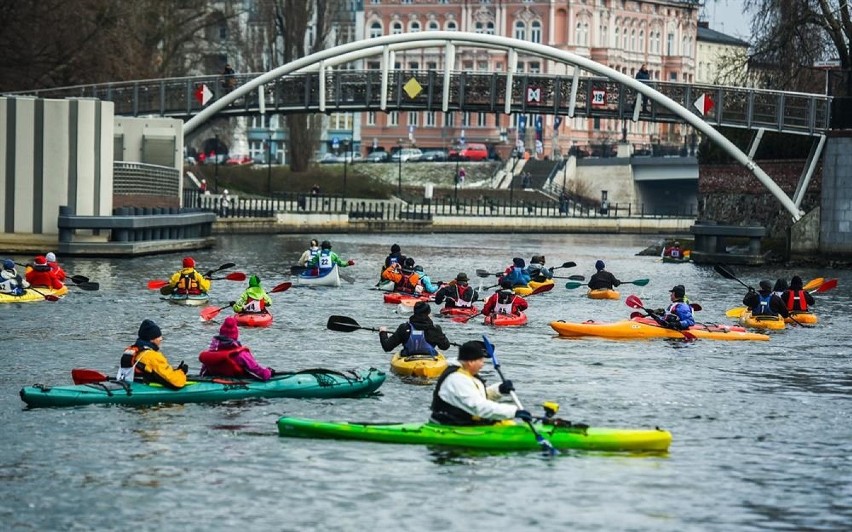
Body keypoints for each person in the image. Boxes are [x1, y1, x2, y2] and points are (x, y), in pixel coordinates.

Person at [429, 340, 530, 426]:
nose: (483, 364)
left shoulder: (465, 373)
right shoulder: (457, 378)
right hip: (451, 425)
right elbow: (478, 407)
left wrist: (499, 389)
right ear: (471, 362)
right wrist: (514, 412)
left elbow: (476, 396)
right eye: (481, 361)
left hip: (464, 421)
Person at [116, 319, 188, 389]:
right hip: (145, 390)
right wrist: (182, 372)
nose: (161, 339)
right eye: (158, 336)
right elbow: (176, 382)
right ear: (151, 339)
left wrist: (175, 370)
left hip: (132, 385)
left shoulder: (131, 350)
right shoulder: (152, 356)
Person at [198, 316, 274, 381]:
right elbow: (257, 370)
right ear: (235, 335)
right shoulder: (241, 354)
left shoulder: (212, 352)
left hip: (215, 380)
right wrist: (268, 372)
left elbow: (203, 373)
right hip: (237, 381)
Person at [379, 301, 451, 357]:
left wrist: (383, 332)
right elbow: (445, 346)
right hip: (429, 361)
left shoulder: (404, 328)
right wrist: (441, 335)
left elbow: (387, 347)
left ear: (414, 312)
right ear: (429, 313)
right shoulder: (435, 329)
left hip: (408, 360)